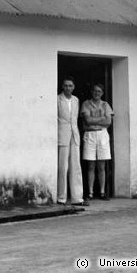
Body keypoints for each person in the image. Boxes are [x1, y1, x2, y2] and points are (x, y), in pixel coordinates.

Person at [57, 77, 89, 206]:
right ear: (62, 87)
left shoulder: (76, 100)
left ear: (73, 87)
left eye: (70, 86)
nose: (68, 88)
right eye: (65, 85)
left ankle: (77, 197)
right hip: (62, 134)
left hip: (74, 135)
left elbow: (74, 119)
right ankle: (61, 197)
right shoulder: (57, 100)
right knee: (63, 167)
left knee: (76, 166)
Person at [81, 83, 113, 200]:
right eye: (95, 91)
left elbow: (108, 122)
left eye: (99, 91)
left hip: (102, 134)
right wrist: (101, 119)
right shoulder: (86, 104)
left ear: (102, 93)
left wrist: (94, 121)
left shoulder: (105, 105)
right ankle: (90, 192)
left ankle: (102, 192)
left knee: (101, 166)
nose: (97, 93)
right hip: (90, 134)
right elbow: (87, 120)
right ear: (91, 92)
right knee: (91, 165)